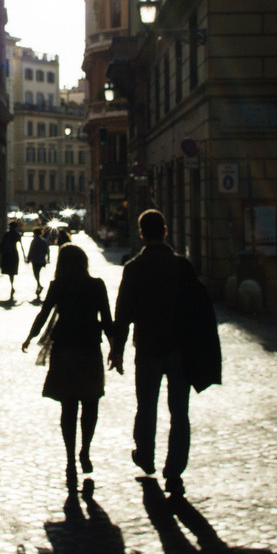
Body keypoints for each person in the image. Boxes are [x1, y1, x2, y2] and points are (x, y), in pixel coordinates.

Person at [108, 209, 220, 497]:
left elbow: (123, 313)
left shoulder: (133, 268)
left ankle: (146, 456)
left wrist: (116, 350)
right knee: (179, 411)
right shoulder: (181, 266)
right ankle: (174, 469)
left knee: (146, 407)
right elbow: (200, 308)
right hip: (179, 348)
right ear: (166, 231)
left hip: (147, 347)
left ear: (142, 233)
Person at [22, 244, 112, 490]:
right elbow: (106, 318)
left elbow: (44, 313)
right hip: (89, 349)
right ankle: (85, 450)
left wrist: (30, 336)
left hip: (64, 349)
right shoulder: (96, 285)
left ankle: (70, 457)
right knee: (91, 403)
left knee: (68, 407)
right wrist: (116, 348)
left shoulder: (58, 286)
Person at [0, 220, 25, 302]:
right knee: (12, 270)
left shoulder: (7, 234)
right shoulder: (17, 234)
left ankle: (12, 284)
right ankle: (12, 284)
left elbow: (2, 244)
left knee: (10, 271)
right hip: (14, 253)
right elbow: (21, 245)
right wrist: (24, 255)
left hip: (7, 254)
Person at [26, 227, 50, 303]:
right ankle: (39, 285)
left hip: (35, 260)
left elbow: (31, 250)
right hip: (41, 259)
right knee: (37, 273)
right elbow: (47, 250)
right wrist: (47, 258)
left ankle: (39, 284)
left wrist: (28, 258)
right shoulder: (44, 241)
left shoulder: (34, 241)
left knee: (36, 273)